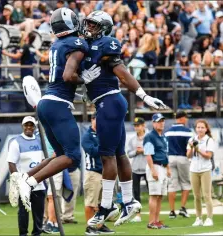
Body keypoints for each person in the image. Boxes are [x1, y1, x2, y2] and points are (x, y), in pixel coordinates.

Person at [81, 10, 167, 227]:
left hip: (108, 102)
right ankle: (129, 201)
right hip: (109, 102)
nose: (89, 28)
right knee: (119, 155)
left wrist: (144, 96)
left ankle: (107, 205)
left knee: (107, 156)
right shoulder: (89, 46)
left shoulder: (105, 45)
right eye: (89, 24)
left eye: (94, 25)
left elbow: (121, 72)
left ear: (105, 29)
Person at [15, 8, 100, 212]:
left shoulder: (58, 44)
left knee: (60, 154)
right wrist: (84, 79)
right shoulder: (76, 43)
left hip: (48, 102)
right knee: (72, 157)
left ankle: (25, 177)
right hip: (57, 104)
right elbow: (67, 76)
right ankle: (30, 182)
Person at [7, 116, 46, 236]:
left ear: (34, 127)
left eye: (31, 125)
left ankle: (37, 233)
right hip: (23, 184)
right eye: (26, 125)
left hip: (39, 183)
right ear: (22, 126)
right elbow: (11, 163)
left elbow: (44, 161)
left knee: (38, 213)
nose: (29, 127)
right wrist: (17, 180)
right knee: (23, 212)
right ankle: (23, 234)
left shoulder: (40, 140)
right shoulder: (16, 142)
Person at [82, 113, 113, 235]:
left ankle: (99, 225)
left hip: (104, 172)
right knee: (91, 202)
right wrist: (104, 146)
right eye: (97, 119)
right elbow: (93, 151)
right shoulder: (87, 136)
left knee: (101, 203)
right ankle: (89, 227)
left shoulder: (103, 134)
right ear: (92, 120)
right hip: (93, 173)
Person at [143, 113, 171, 229]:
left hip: (163, 167)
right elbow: (148, 154)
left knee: (160, 196)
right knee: (154, 195)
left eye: (162, 121)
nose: (161, 123)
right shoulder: (149, 136)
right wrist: (153, 170)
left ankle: (157, 220)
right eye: (159, 121)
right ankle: (151, 222)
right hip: (154, 166)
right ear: (153, 123)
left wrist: (168, 168)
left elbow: (165, 153)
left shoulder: (163, 137)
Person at [165, 111, 193, 219]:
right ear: (182, 118)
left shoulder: (167, 132)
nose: (187, 120)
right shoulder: (188, 131)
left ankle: (172, 211)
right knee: (185, 183)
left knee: (172, 185)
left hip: (170, 158)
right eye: (186, 118)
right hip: (183, 157)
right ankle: (182, 208)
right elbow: (190, 147)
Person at [186, 119, 215, 227]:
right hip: (193, 169)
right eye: (198, 127)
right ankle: (198, 218)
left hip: (205, 170)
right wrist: (192, 147)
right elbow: (188, 156)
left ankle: (209, 218)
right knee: (196, 196)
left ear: (206, 129)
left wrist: (198, 149)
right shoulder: (192, 139)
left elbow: (208, 155)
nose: (200, 129)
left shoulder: (209, 140)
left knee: (207, 195)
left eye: (202, 127)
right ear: (195, 128)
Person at [127, 117, 148, 223]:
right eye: (135, 126)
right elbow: (129, 154)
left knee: (152, 192)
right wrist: (136, 151)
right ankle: (138, 215)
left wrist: (143, 150)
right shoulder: (132, 139)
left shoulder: (149, 137)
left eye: (138, 125)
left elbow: (153, 151)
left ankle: (153, 213)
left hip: (147, 168)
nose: (136, 128)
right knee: (136, 193)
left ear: (143, 125)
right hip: (135, 168)